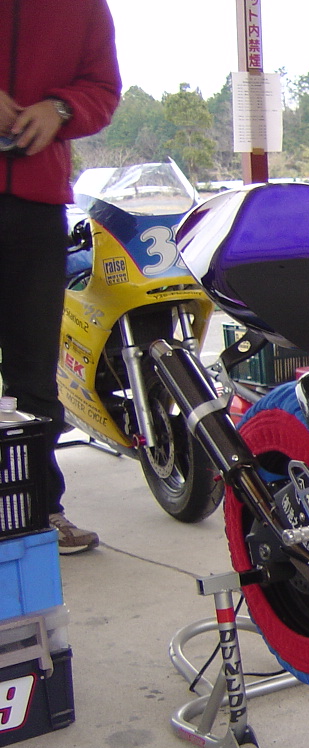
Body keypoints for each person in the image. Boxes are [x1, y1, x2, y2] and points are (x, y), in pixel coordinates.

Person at [0, 0, 122, 553]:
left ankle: (37, 508)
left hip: (36, 206)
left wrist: (60, 108)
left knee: (33, 372)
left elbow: (102, 88)